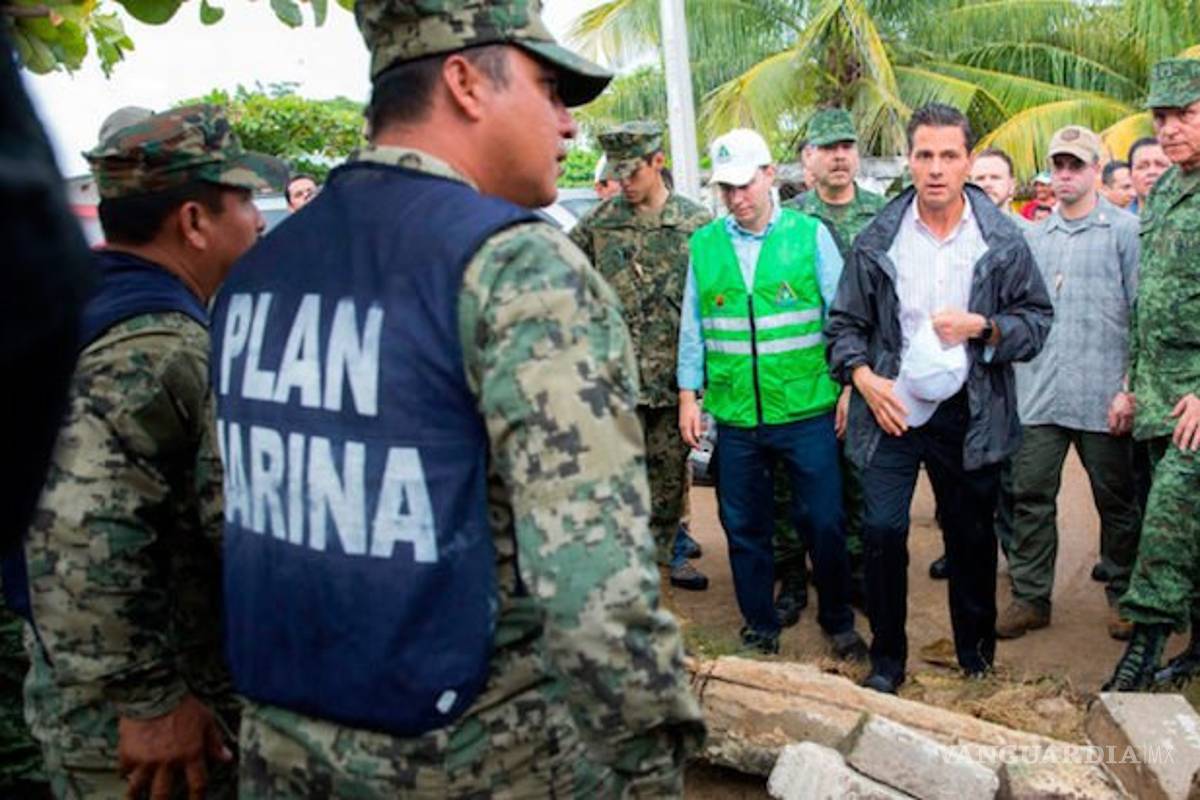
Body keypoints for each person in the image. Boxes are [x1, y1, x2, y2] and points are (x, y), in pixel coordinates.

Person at [213, 2, 705, 796]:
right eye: (549, 90)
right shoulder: (518, 269)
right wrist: (651, 766)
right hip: (478, 757)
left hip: (285, 754)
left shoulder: (261, 273)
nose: (570, 127)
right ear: (466, 81)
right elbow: (598, 596)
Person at [17, 104, 282, 799]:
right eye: (244, 201)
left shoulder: (83, 305)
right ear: (194, 222)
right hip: (143, 738)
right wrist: (150, 699)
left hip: (91, 695)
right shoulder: (155, 347)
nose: (258, 221)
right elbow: (76, 534)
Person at [827, 103, 1053, 695]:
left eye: (949, 155)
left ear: (968, 162)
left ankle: (976, 659)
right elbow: (843, 325)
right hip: (892, 407)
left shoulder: (1001, 239)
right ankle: (887, 660)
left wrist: (985, 326)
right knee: (880, 531)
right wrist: (861, 377)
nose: (935, 169)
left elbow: (1036, 321)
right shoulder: (879, 237)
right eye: (924, 155)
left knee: (971, 537)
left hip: (971, 412)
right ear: (909, 160)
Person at [678, 127, 867, 659]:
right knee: (743, 526)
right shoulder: (705, 243)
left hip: (807, 409)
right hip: (736, 415)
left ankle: (838, 620)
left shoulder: (809, 236)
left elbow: (842, 318)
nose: (736, 198)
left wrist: (851, 386)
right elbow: (694, 327)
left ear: (768, 176)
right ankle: (760, 624)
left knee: (825, 522)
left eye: (744, 185)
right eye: (725, 189)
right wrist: (688, 396)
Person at [997, 125, 1141, 643]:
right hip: (1040, 393)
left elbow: (1141, 314)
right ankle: (1031, 596)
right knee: (1030, 494)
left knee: (1116, 499)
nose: (1064, 175)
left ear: (1096, 170)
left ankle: (1124, 594)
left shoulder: (1124, 233)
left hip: (1104, 395)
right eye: (1058, 165)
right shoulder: (1034, 236)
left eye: (1075, 165)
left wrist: (1130, 386)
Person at [569, 121, 713, 594]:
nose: (625, 183)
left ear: (658, 162)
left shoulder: (696, 225)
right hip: (614, 382)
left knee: (670, 480)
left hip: (675, 384)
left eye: (633, 173)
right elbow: (562, 275)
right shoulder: (598, 224)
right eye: (618, 174)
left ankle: (665, 557)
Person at [1105, 59, 1200, 691]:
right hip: (1162, 395)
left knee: (1167, 524)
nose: (1168, 130)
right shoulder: (1164, 190)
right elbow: (1152, 300)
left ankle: (1139, 658)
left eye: (1183, 114)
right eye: (1160, 117)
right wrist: (1135, 384)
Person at [772, 107, 885, 620]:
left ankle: (856, 575)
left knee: (860, 477)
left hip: (864, 370)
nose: (840, 156)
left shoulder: (883, 213)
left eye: (847, 146)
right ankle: (793, 577)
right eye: (828, 148)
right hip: (802, 370)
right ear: (807, 158)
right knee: (794, 481)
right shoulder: (789, 219)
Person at [1128, 136, 1171, 214]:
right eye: (1142, 167)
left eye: (1160, 165)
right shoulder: (1119, 224)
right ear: (1130, 175)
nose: (1152, 172)